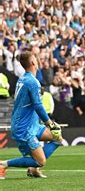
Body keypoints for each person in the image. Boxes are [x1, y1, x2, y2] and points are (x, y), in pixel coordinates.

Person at [0, 51, 62, 179]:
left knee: (57, 138)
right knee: (40, 161)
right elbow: (37, 105)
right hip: (24, 129)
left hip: (32, 124)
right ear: (33, 62)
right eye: (36, 58)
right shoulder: (32, 82)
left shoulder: (23, 79)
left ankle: (33, 170)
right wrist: (49, 123)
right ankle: (3, 164)